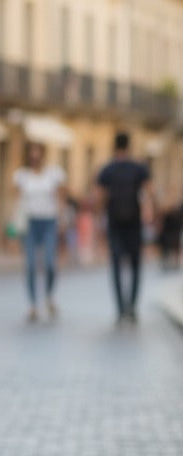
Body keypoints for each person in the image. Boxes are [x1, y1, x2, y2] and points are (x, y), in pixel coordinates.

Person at [96, 131, 154, 322]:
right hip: (134, 223)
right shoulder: (139, 168)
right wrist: (150, 214)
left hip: (114, 223)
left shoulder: (108, 169)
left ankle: (121, 308)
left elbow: (101, 198)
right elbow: (148, 194)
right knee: (136, 265)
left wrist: (98, 220)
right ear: (129, 146)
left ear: (114, 147)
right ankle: (132, 307)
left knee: (116, 265)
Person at [12, 141, 67, 322]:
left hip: (49, 222)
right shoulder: (21, 176)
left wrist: (61, 221)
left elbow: (60, 198)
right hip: (29, 223)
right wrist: (13, 228)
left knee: (50, 263)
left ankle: (49, 295)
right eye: (32, 153)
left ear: (43, 154)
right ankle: (33, 304)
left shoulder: (54, 174)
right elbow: (17, 202)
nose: (35, 156)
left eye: (38, 153)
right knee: (30, 265)